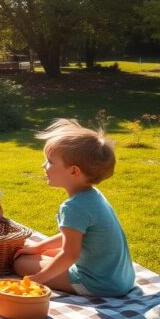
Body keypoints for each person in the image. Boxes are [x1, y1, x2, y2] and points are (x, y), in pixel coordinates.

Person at [14, 119, 134, 297]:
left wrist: (37, 279)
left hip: (98, 284)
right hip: (121, 279)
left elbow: (70, 255)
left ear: (74, 171)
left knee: (21, 263)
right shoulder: (94, 196)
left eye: (50, 161)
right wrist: (39, 247)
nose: (43, 166)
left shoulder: (73, 207)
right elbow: (73, 236)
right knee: (40, 252)